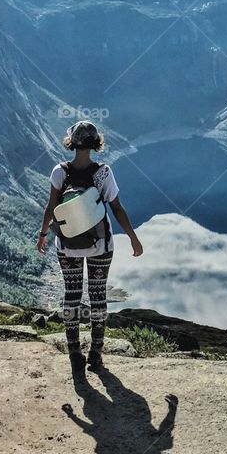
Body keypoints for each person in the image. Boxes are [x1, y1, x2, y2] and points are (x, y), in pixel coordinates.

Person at [37, 120, 144, 369]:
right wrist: (132, 236)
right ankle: (96, 354)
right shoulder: (103, 172)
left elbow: (51, 208)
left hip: (67, 246)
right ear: (96, 143)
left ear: (71, 143)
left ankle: (75, 354)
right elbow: (116, 208)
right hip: (101, 246)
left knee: (71, 297)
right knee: (98, 298)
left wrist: (43, 234)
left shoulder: (59, 171)